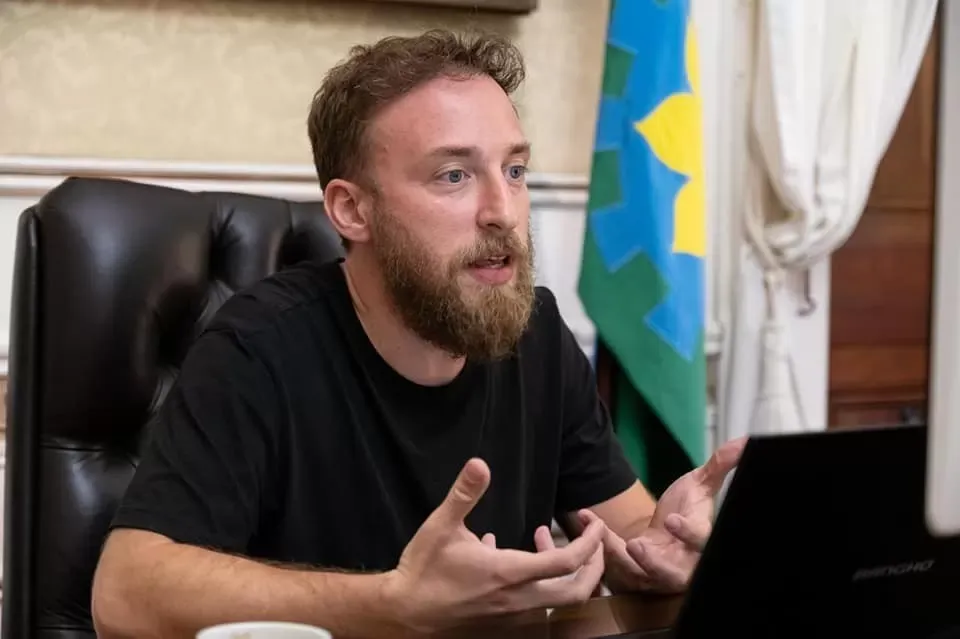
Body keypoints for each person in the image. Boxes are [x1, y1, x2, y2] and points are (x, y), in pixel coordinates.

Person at [91, 28, 744, 639]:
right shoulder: (259, 347)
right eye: (454, 175)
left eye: (514, 170)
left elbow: (630, 531)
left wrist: (662, 549)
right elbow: (122, 593)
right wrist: (392, 600)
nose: (502, 211)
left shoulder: (536, 332)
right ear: (352, 209)